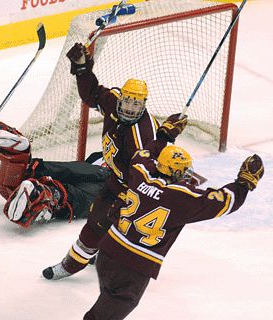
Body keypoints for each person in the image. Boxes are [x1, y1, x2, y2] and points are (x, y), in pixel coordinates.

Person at [50, 136, 264, 319]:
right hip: (133, 266)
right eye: (183, 171)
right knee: (111, 309)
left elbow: (142, 155)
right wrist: (243, 183)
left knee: (109, 297)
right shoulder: (181, 198)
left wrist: (162, 138)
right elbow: (224, 202)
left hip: (107, 251)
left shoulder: (140, 175)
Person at [41, 42, 188, 279]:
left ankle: (70, 265)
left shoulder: (143, 133)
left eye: (136, 103)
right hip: (114, 176)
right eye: (127, 101)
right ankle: (99, 248)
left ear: (144, 104)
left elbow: (147, 170)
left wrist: (164, 137)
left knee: (96, 224)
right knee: (101, 221)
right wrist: (82, 70)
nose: (130, 108)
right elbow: (92, 93)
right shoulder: (113, 101)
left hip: (131, 187)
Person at [0, 120, 110, 227]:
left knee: (11, 188)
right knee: (91, 196)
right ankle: (50, 195)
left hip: (99, 169)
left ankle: (21, 159)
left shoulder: (100, 155)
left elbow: (74, 170)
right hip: (113, 180)